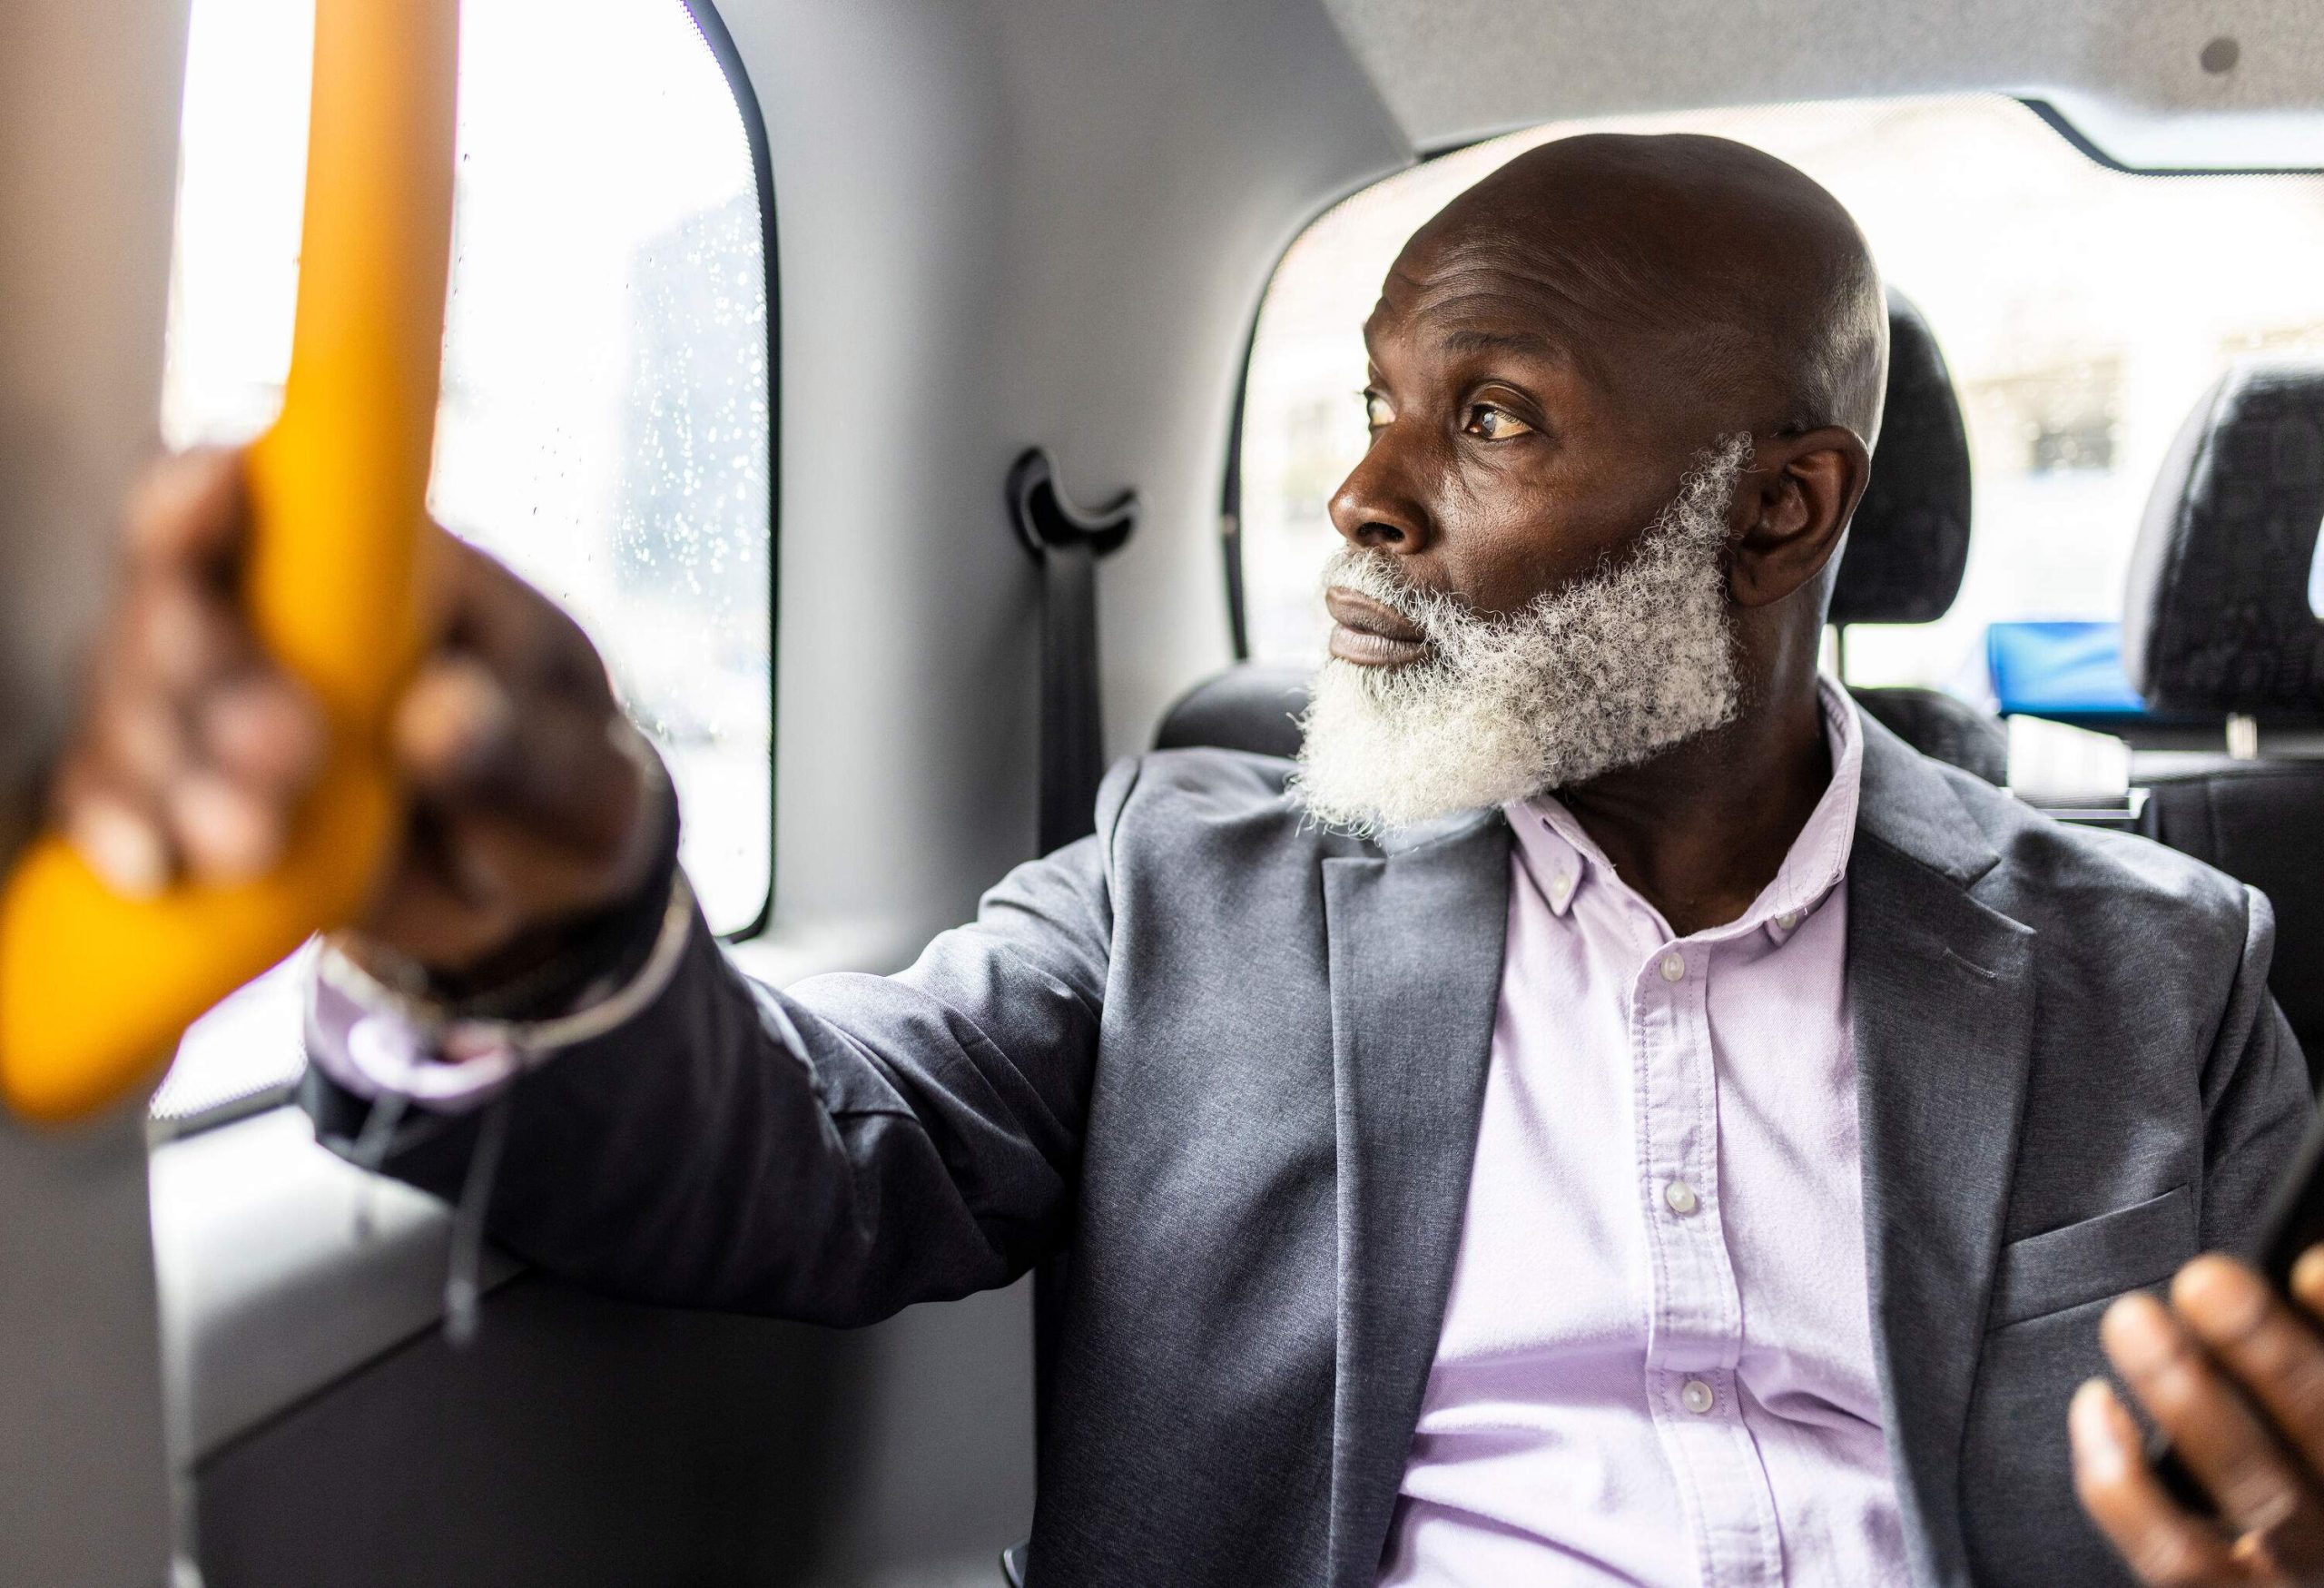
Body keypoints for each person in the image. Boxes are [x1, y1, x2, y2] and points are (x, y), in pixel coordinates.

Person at [53, 132, 2324, 1586]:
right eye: (1375, 400)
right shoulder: (1186, 882)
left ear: (1778, 504)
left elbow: (2260, 1480)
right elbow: (815, 1145)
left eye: (1493, 414)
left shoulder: (2158, 966)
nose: (1365, 491)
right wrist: (541, 926)